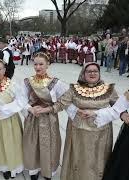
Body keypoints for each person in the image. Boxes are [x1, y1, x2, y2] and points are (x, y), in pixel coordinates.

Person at [35, 62, 118, 180]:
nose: (92, 73)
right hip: (78, 131)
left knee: (98, 158)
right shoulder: (74, 89)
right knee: (79, 158)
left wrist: (127, 116)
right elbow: (61, 104)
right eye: (89, 71)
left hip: (101, 133)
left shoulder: (109, 89)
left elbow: (119, 107)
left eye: (95, 71)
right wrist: (45, 109)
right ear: (83, 74)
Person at [20, 52, 73, 180]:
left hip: (49, 118)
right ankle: (33, 170)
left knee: (48, 145)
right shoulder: (27, 81)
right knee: (32, 144)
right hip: (33, 118)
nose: (38, 67)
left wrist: (51, 108)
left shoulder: (55, 82)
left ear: (47, 65)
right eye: (35, 64)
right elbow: (20, 99)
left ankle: (47, 170)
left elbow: (67, 98)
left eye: (41, 64)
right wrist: (30, 109)